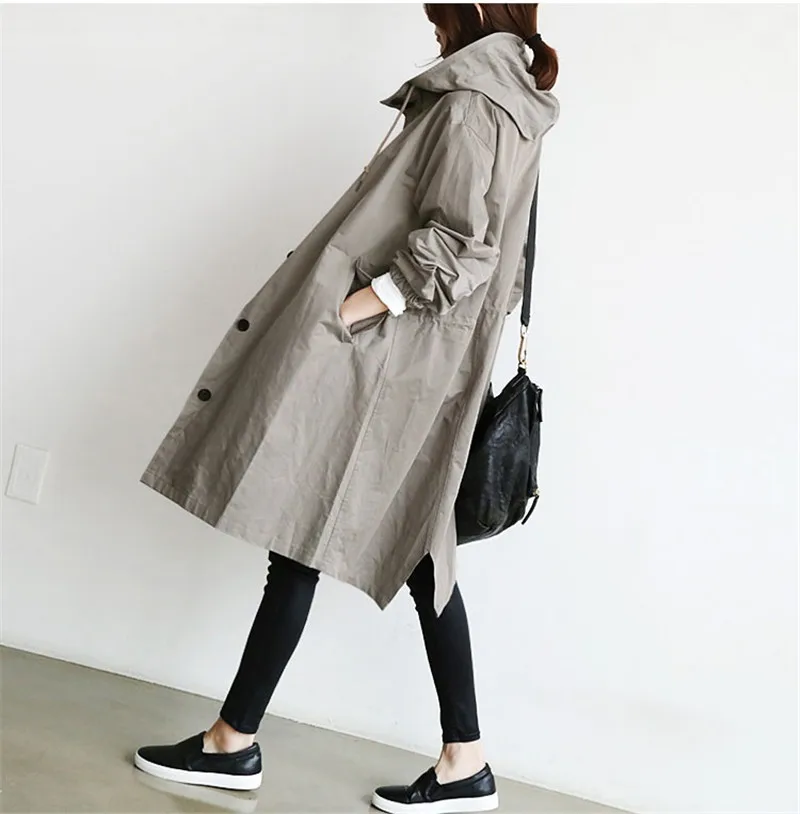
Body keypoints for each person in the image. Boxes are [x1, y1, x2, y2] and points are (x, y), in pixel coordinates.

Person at [133, 4, 559, 812]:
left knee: (311, 532)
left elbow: (461, 246)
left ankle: (234, 743)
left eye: (438, 13)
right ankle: (461, 759)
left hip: (388, 359)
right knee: (414, 551)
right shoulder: (513, 98)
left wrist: (355, 308)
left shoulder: (473, 101)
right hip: (428, 366)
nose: (434, 28)